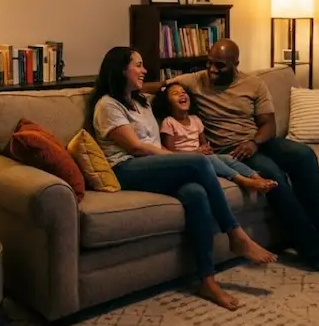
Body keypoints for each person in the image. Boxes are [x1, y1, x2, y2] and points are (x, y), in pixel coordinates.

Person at [145, 39, 319, 279]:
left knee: (304, 155)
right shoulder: (195, 80)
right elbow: (158, 86)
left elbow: (269, 124)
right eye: (209, 63)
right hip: (230, 150)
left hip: (258, 141)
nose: (212, 70)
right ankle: (317, 250)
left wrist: (255, 142)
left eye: (220, 66)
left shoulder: (254, 84)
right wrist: (132, 84)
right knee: (273, 174)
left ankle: (315, 237)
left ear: (235, 65)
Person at [85, 46, 277, 311]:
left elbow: (166, 96)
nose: (144, 70)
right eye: (138, 65)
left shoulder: (139, 100)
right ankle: (236, 234)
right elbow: (136, 147)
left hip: (153, 166)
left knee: (196, 194)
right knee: (198, 161)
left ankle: (207, 280)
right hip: (127, 169)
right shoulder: (108, 104)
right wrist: (171, 156)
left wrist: (170, 153)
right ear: (120, 70)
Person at [151, 82, 278, 194]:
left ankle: (256, 177)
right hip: (185, 160)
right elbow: (169, 154)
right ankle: (243, 180)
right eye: (175, 93)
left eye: (183, 92)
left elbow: (205, 145)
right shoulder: (169, 122)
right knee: (210, 159)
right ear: (167, 103)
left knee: (229, 158)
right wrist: (195, 153)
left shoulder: (196, 120)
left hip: (202, 157)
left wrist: (207, 149)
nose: (181, 94)